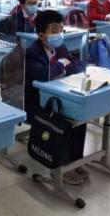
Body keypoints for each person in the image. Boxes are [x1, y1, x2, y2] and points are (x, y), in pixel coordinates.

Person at [24, 10, 87, 184]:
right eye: (54, 30)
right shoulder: (32, 52)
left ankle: (75, 160)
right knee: (66, 120)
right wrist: (63, 65)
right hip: (37, 101)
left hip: (60, 95)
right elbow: (44, 74)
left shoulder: (61, 47)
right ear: (41, 34)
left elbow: (78, 65)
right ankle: (61, 166)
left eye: (61, 29)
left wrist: (62, 66)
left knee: (81, 118)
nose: (59, 34)